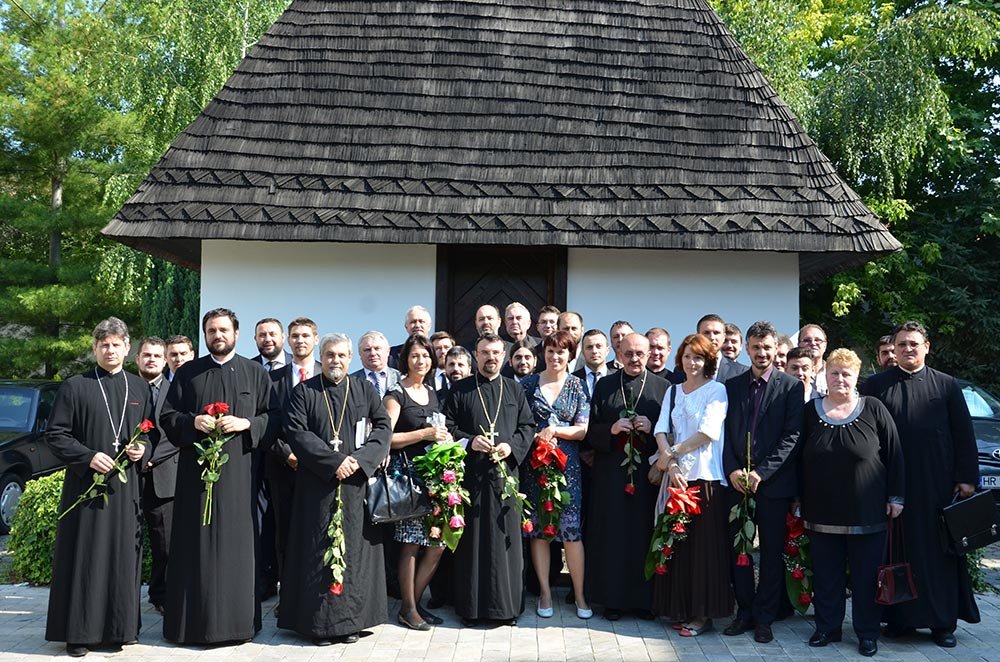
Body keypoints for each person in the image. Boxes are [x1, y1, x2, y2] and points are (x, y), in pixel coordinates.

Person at [160, 308, 279, 645]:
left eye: (223, 330)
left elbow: (274, 417)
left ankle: (237, 625)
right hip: (195, 481)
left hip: (240, 480)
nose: (218, 335)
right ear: (205, 335)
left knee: (236, 548)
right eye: (212, 330)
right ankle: (190, 625)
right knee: (193, 547)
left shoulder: (255, 373)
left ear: (236, 333)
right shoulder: (187, 373)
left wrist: (247, 424)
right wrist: (192, 422)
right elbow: (169, 416)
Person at [861, 321, 980, 648]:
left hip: (937, 484)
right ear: (893, 349)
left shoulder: (946, 385)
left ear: (927, 346)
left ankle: (943, 623)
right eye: (902, 345)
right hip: (889, 484)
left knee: (938, 554)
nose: (908, 350)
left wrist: (967, 478)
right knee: (896, 551)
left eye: (914, 344)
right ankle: (899, 620)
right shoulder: (876, 385)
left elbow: (963, 434)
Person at [45, 318, 152, 657]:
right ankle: (78, 633)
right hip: (85, 489)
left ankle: (117, 630)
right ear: (95, 348)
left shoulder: (140, 388)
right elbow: (56, 435)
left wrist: (142, 449)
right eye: (103, 344)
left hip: (125, 490)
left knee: (121, 558)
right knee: (85, 557)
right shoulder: (75, 386)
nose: (110, 350)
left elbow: (151, 433)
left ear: (127, 348)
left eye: (116, 344)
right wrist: (89, 456)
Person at [278, 333, 391, 645]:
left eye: (341, 355)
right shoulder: (304, 392)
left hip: (355, 485)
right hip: (317, 488)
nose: (335, 361)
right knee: (317, 552)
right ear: (321, 357)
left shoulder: (364, 389)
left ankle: (352, 622)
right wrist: (333, 462)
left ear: (350, 358)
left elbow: (383, 427)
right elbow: (296, 432)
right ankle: (317, 626)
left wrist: (360, 460)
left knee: (354, 555)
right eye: (329, 355)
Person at [801, 349, 905, 657]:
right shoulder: (810, 412)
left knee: (865, 577)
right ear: (825, 375)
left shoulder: (873, 408)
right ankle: (827, 627)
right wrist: (797, 500)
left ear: (856, 376)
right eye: (834, 372)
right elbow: (797, 460)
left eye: (846, 373)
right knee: (826, 574)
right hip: (821, 511)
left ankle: (867, 632)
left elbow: (895, 454)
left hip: (867, 511)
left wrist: (896, 496)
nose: (840, 378)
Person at [443, 333, 535, 626]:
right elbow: (448, 428)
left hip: (506, 477)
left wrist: (512, 447)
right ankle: (471, 608)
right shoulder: (460, 390)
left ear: (504, 356)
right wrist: (470, 442)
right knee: (472, 542)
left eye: (496, 352)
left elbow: (527, 426)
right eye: (485, 352)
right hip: (472, 478)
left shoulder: (514, 389)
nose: (490, 358)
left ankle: (507, 608)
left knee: (506, 542)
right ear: (476, 355)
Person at [722, 320, 804, 643]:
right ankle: (744, 611)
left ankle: (765, 617)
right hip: (737, 483)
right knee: (738, 550)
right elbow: (724, 435)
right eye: (755, 347)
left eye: (767, 347)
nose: (761, 353)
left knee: (770, 553)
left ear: (775, 349)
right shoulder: (732, 386)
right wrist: (732, 470)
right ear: (747, 348)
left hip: (772, 484)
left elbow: (792, 437)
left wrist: (761, 473)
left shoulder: (790, 387)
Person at [651, 333, 733, 636]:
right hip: (676, 478)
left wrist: (672, 453)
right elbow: (661, 430)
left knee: (703, 550)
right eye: (687, 356)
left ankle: (701, 615)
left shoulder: (717, 390)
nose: (692, 362)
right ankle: (681, 607)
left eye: (698, 357)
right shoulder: (673, 391)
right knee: (678, 545)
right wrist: (669, 463)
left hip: (705, 477)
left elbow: (707, 433)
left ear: (708, 360)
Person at [585, 333, 668, 620]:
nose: (634, 359)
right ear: (619, 354)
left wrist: (652, 426)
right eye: (628, 353)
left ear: (649, 354)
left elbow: (673, 430)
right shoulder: (606, 385)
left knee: (644, 533)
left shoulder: (663, 387)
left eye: (640, 354)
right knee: (614, 535)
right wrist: (611, 429)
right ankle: (613, 600)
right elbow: (589, 430)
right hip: (611, 474)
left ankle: (645, 601)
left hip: (648, 474)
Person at [519, 331, 592, 620]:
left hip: (567, 467)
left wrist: (555, 431)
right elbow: (521, 424)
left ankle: (580, 595)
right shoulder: (527, 384)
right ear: (543, 353)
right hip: (535, 465)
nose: (555, 356)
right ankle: (546, 593)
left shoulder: (577, 385)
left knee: (572, 533)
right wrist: (538, 436)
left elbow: (582, 429)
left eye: (561, 351)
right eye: (550, 351)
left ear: (570, 355)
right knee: (539, 532)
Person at [384, 334, 450, 631]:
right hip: (408, 477)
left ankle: (415, 602)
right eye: (414, 356)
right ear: (405, 360)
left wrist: (443, 438)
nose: (420, 361)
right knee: (411, 544)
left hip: (434, 477)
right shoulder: (396, 394)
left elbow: (438, 429)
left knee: (436, 543)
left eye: (425, 355)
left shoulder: (433, 392)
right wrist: (423, 435)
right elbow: (386, 438)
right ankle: (407, 609)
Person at [266, 317, 322, 592]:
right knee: (286, 531)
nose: (300, 340)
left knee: (319, 529)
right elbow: (267, 423)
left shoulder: (330, 376)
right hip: (284, 467)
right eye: (295, 336)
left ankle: (317, 589)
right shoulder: (272, 379)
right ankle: (288, 593)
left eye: (305, 335)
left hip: (322, 469)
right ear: (288, 341)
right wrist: (287, 454)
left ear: (316, 339)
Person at [136, 336, 178, 616]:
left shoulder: (176, 391)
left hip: (163, 476)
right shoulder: (126, 389)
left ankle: (161, 594)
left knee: (165, 543)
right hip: (128, 478)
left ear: (165, 361)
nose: (151, 359)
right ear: (137, 358)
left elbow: (177, 433)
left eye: (157, 356)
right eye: (146, 355)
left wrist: (148, 458)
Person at [674, 315, 748, 384]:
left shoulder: (741, 372)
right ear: (698, 335)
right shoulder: (682, 369)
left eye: (716, 333)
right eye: (706, 333)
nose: (712, 337)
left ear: (723, 336)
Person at [352, 331, 401, 398]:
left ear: (388, 351)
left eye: (377, 348)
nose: (373, 353)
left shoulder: (402, 378)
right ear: (360, 353)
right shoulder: (350, 382)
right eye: (367, 350)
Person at [573, 329, 614, 399]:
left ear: (607, 351)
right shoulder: (572, 380)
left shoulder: (617, 380)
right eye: (589, 347)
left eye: (599, 346)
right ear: (582, 352)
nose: (594, 351)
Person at [388, 305, 433, 369]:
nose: (417, 325)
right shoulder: (392, 355)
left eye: (421, 321)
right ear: (406, 326)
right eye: (413, 322)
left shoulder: (437, 351)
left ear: (429, 326)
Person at [798, 324, 829, 396]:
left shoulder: (835, 373)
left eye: (818, 340)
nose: (813, 343)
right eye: (807, 340)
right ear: (799, 344)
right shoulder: (792, 373)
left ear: (825, 345)